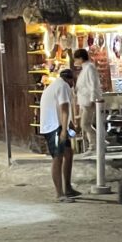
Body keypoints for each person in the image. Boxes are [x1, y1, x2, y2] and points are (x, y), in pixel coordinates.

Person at [39, 69, 80, 202]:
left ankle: (67, 188)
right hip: (54, 127)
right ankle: (59, 194)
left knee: (68, 153)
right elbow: (64, 108)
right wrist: (63, 131)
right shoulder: (63, 86)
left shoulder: (56, 85)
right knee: (58, 157)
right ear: (70, 80)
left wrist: (70, 124)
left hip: (55, 125)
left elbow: (60, 108)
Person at [73, 48, 102, 155]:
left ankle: (97, 144)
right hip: (84, 101)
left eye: (76, 59)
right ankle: (95, 145)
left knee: (85, 124)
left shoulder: (89, 68)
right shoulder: (85, 69)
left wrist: (92, 99)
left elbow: (93, 84)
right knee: (86, 124)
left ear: (81, 58)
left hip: (88, 101)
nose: (75, 61)